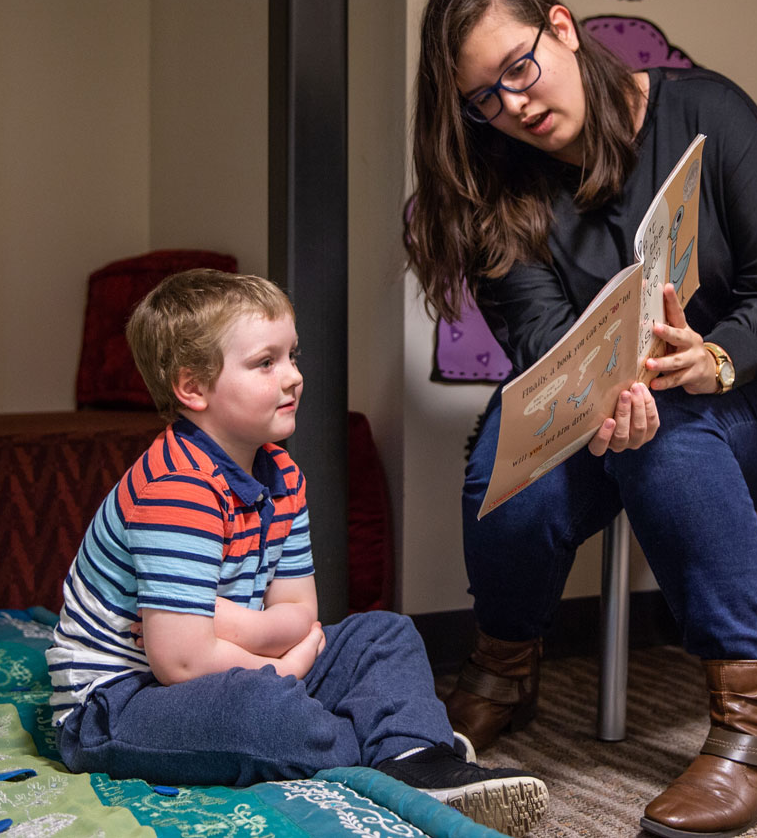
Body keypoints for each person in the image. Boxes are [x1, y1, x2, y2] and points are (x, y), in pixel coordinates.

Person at [405, 0, 757, 838]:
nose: (511, 106)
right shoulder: (497, 192)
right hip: (609, 414)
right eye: (483, 99)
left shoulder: (708, 111)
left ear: (561, 27)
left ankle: (754, 729)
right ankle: (504, 670)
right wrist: (600, 394)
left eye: (517, 69)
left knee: (667, 432)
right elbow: (545, 350)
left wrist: (709, 359)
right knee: (500, 464)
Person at [45, 269, 547, 836]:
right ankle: (382, 752)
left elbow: (298, 615)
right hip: (123, 701)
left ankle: (415, 760)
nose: (294, 377)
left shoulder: (281, 473)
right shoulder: (176, 488)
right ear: (193, 388)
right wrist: (285, 666)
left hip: (225, 662)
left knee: (386, 635)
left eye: (292, 355)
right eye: (266, 363)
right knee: (262, 712)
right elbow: (181, 662)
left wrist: (228, 622)